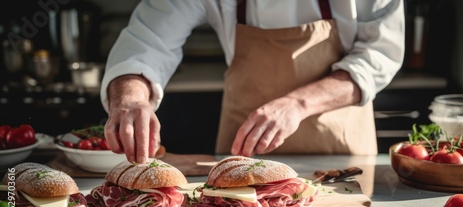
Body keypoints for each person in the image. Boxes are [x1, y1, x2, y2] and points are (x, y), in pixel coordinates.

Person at [101, 0, 405, 164]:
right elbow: (147, 40)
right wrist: (130, 98)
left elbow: (379, 54)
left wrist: (298, 104)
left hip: (340, 155)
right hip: (241, 154)